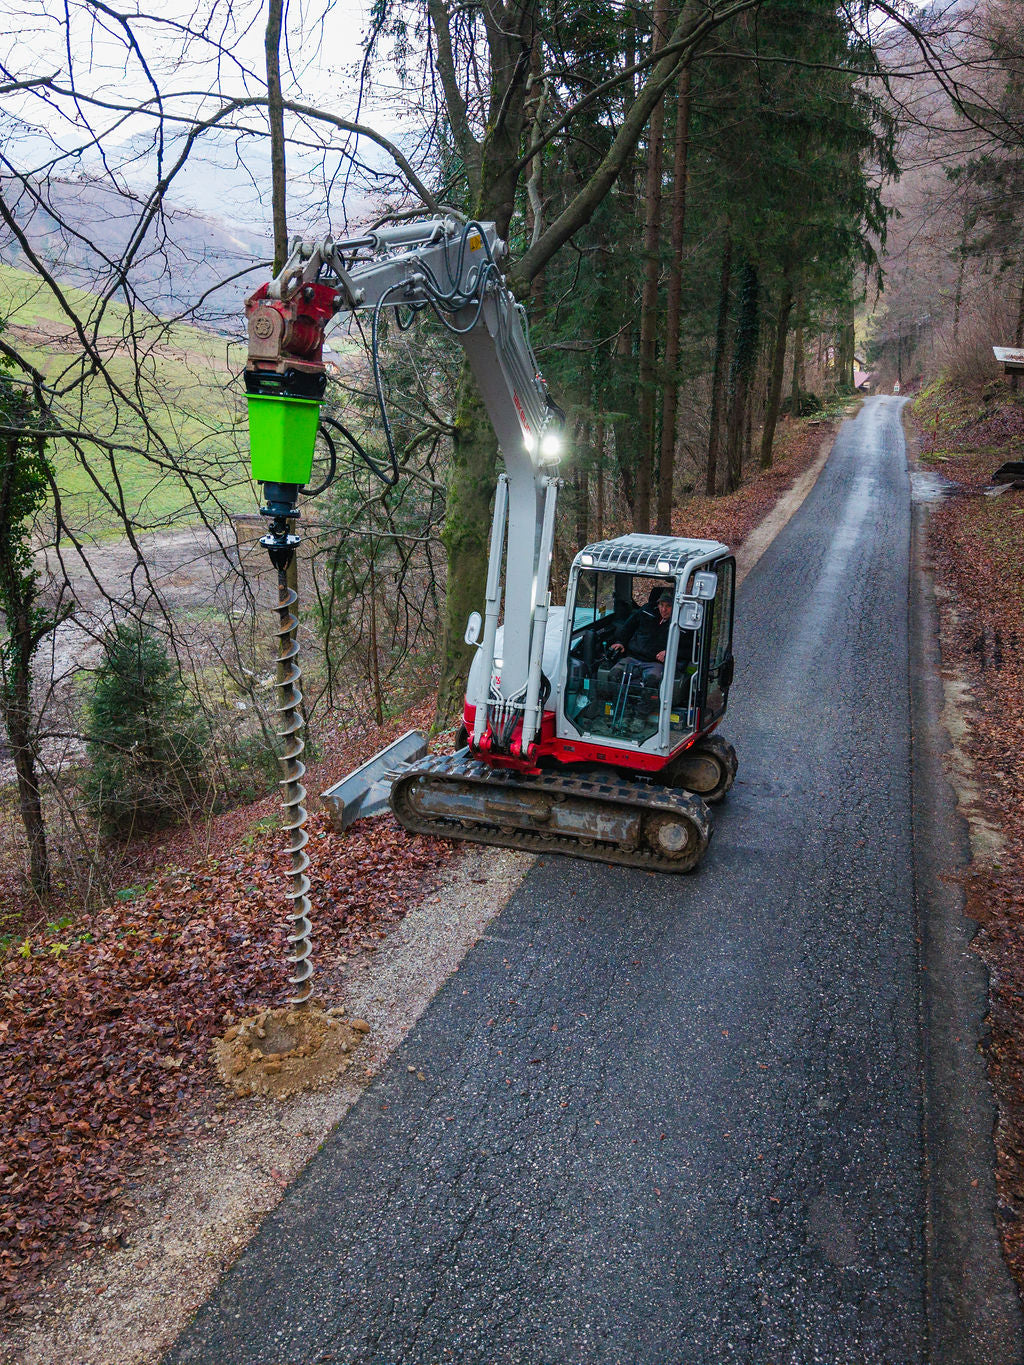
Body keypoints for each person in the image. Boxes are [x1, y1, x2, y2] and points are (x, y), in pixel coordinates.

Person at [608, 590, 673, 687]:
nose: (663, 609)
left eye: (668, 606)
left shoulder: (680, 622)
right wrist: (621, 642)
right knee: (614, 675)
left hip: (655, 663)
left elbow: (687, 648)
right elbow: (629, 627)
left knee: (652, 682)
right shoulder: (647, 610)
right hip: (632, 658)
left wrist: (669, 652)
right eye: (661, 605)